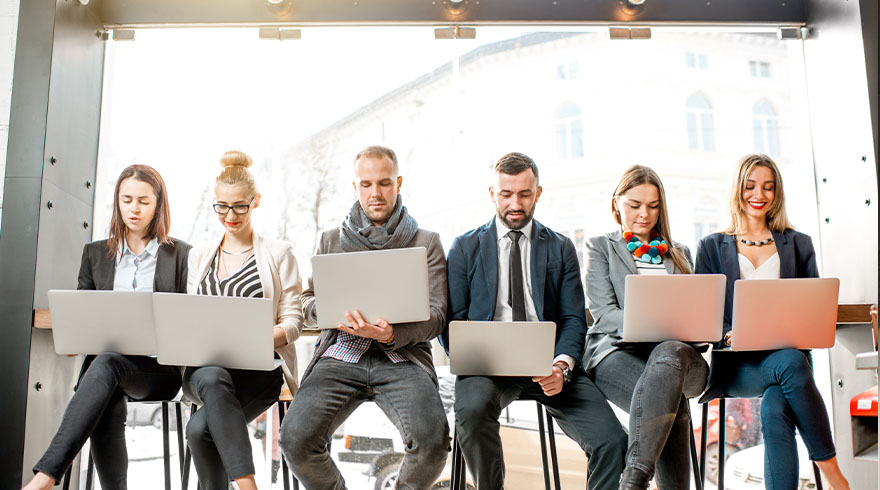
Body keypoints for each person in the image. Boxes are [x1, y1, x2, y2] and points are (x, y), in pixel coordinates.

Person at [444, 152, 626, 490]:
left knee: (613, 440)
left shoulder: (560, 247)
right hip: (486, 368)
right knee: (470, 412)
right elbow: (451, 323)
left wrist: (561, 366)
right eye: (506, 194)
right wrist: (471, 354)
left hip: (550, 366)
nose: (515, 203)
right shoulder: (465, 247)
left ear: (538, 193)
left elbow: (574, 319)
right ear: (491, 193)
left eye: (525, 194)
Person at [280, 145, 449, 490]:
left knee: (433, 444)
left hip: (402, 357)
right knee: (294, 440)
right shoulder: (330, 240)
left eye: (384, 183)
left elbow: (436, 316)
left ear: (398, 183)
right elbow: (308, 303)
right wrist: (330, 313)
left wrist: (388, 334)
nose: (376, 193)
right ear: (355, 187)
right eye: (367, 184)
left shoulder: (426, 242)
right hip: (341, 355)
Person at [23, 165, 190, 490]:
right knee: (107, 385)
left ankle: (44, 478)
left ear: (158, 204)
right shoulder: (96, 254)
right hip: (106, 369)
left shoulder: (179, 254)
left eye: (143, 200)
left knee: (106, 366)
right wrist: (73, 332)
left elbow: (188, 319)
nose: (134, 208)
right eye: (126, 200)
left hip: (160, 369)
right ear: (117, 202)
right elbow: (81, 319)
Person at [695, 153, 850, 490]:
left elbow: (815, 306)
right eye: (750, 186)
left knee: (776, 406)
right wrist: (727, 334)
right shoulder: (710, 246)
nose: (759, 195)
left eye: (768, 187)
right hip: (738, 366)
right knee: (791, 363)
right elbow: (701, 315)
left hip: (787, 361)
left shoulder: (798, 244)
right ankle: (833, 473)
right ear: (737, 189)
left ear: (777, 193)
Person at [582, 165, 709, 490]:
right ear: (616, 204)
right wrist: (650, 326)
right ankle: (638, 478)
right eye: (635, 205)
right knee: (668, 398)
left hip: (678, 356)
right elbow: (604, 313)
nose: (644, 214)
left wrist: (697, 328)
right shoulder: (600, 247)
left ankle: (633, 478)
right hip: (615, 354)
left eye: (653, 206)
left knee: (667, 357)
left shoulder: (680, 254)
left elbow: (695, 316)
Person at [185, 150, 303, 490]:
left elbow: (292, 323)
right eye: (221, 206)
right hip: (204, 371)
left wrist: (253, 341)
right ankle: (249, 485)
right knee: (211, 373)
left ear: (256, 201)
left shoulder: (280, 253)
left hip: (258, 371)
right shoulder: (199, 255)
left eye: (239, 206)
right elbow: (189, 317)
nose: (230, 215)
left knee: (198, 430)